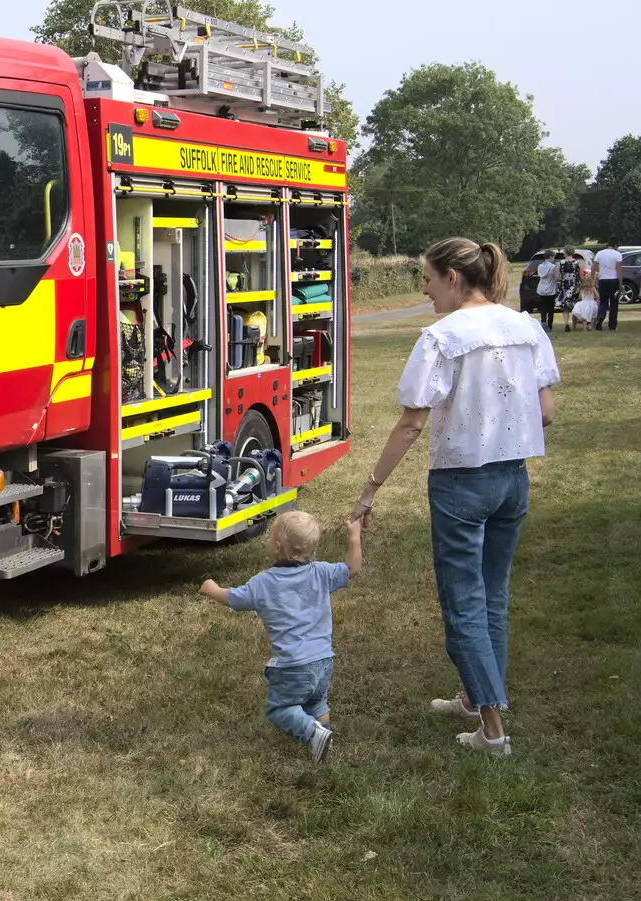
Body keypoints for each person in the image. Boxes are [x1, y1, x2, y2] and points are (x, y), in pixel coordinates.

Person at [351, 237, 559, 757]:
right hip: (513, 479)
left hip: (461, 482)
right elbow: (547, 412)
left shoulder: (442, 337)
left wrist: (370, 488)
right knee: (492, 595)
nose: (423, 291)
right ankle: (475, 698)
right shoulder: (526, 327)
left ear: (453, 278)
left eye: (425, 279)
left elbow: (411, 423)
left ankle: (492, 731)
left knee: (464, 602)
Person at [199, 511, 362, 763]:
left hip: (291, 667)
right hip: (324, 661)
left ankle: (312, 732)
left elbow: (234, 600)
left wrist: (212, 589)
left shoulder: (264, 582)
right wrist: (354, 536)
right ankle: (323, 737)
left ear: (276, 545)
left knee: (279, 709)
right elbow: (353, 568)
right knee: (317, 704)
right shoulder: (321, 572)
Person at [592, 241, 624, 330]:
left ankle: (600, 319)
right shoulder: (617, 254)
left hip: (603, 280)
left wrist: (593, 279)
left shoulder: (599, 253)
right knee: (614, 303)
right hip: (614, 280)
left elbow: (594, 267)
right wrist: (621, 283)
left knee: (603, 302)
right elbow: (619, 269)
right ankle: (612, 325)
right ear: (615, 245)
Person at [556, 249, 583, 332]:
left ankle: (566, 324)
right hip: (575, 287)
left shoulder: (560, 263)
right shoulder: (578, 263)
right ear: (573, 253)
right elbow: (581, 276)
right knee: (575, 306)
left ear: (565, 253)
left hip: (564, 286)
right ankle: (574, 325)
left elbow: (557, 277)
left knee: (565, 307)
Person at [533, 252, 558, 332]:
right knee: (550, 308)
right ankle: (550, 325)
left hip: (542, 288)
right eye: (553, 257)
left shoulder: (540, 266)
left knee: (543, 307)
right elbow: (556, 277)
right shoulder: (553, 267)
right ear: (550, 257)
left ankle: (543, 323)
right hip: (550, 288)